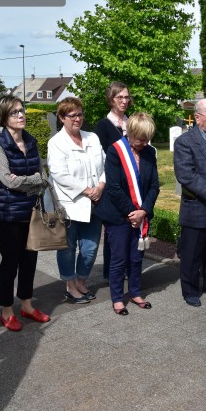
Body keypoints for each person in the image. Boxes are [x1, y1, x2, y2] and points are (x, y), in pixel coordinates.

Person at [0, 95, 49, 332]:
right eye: (15, 112)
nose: (21, 115)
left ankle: (27, 305)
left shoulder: (31, 141)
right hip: (9, 214)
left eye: (22, 111)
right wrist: (33, 180)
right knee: (10, 262)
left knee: (30, 261)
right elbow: (7, 180)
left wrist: (34, 180)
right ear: (3, 117)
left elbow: (43, 176)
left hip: (31, 211)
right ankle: (6, 310)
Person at [95, 112, 159, 316]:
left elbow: (154, 186)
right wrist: (134, 213)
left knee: (136, 258)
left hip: (140, 214)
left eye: (147, 138)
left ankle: (135, 292)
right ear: (130, 133)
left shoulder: (149, 152)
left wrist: (144, 211)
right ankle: (117, 298)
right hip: (118, 215)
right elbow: (113, 188)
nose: (143, 143)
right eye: (140, 138)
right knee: (119, 258)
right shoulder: (115, 151)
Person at [48, 97, 106, 303]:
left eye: (80, 114)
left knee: (90, 248)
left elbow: (104, 166)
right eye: (72, 115)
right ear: (62, 118)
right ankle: (70, 285)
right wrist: (87, 190)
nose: (78, 119)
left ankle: (81, 281)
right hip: (70, 205)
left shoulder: (93, 138)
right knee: (68, 248)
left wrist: (100, 186)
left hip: (95, 202)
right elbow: (59, 174)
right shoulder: (56, 143)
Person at [173, 98, 206, 307]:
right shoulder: (185, 141)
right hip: (197, 207)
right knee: (192, 255)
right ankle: (190, 290)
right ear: (198, 117)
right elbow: (186, 174)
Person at [94, 82, 133, 280]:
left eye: (126, 97)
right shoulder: (103, 126)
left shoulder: (131, 123)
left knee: (129, 228)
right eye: (120, 97)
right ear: (111, 99)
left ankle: (126, 267)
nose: (124, 101)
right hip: (112, 186)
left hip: (131, 186)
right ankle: (111, 272)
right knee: (114, 231)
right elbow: (99, 158)